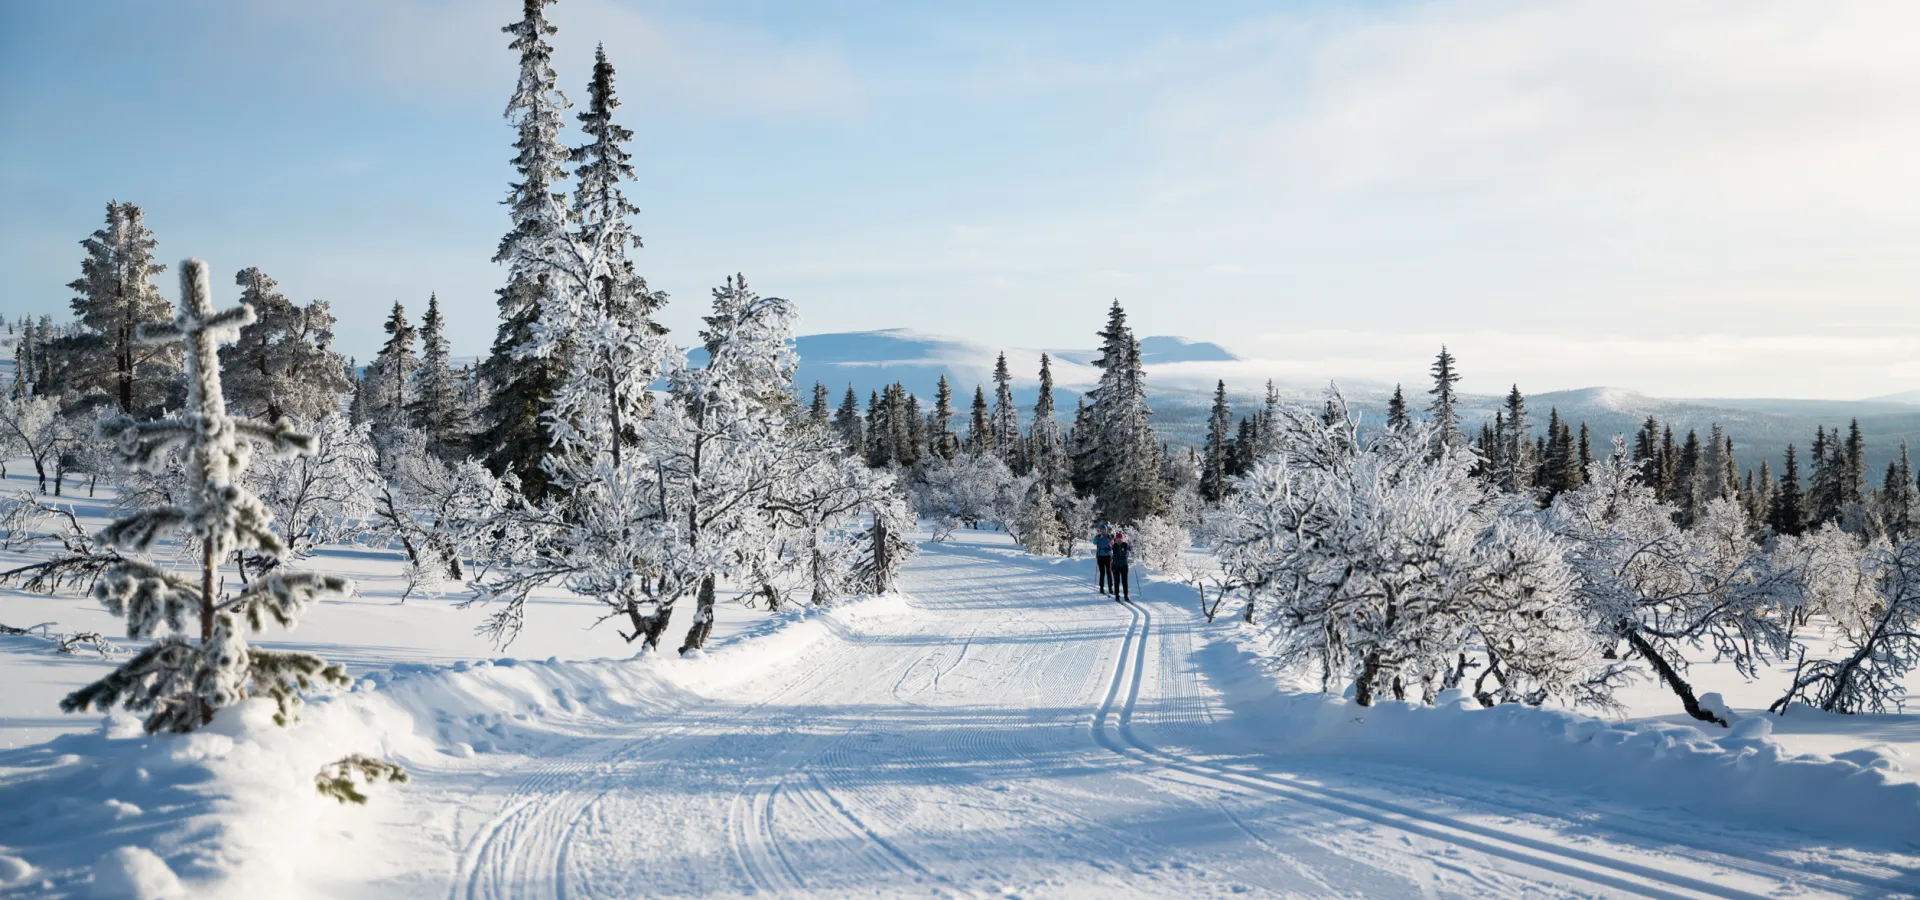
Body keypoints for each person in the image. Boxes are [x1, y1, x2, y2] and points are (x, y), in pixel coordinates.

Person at [1110, 531, 1132, 602]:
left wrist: (1130, 544)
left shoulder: (1125, 545)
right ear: (1116, 539)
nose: (1119, 540)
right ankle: (1117, 596)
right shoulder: (1114, 546)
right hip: (1115, 566)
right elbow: (1109, 549)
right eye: (1117, 539)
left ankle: (1126, 596)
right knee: (1117, 582)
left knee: (1124, 582)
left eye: (1120, 539)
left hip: (1124, 566)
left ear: (1122, 539)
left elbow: (1130, 549)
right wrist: (1110, 545)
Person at [1093, 524, 1114, 594]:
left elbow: (1112, 543)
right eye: (1102, 530)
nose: (1103, 531)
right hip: (1100, 556)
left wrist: (1112, 539)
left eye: (1104, 529)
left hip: (1108, 556)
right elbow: (1094, 542)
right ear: (1100, 530)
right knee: (1102, 573)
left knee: (1109, 572)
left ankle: (1110, 588)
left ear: (1106, 530)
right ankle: (1101, 588)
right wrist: (1097, 538)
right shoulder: (1098, 536)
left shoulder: (1108, 536)